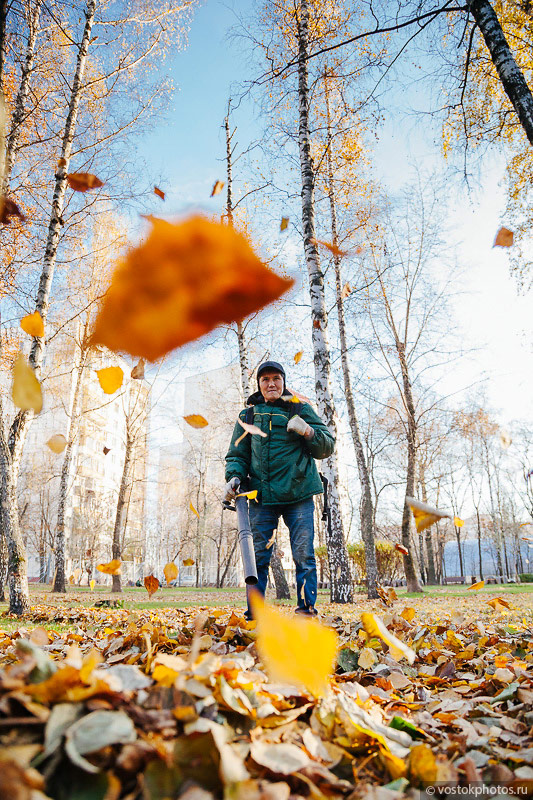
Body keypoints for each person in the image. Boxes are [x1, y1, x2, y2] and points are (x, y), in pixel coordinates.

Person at [224, 360, 334, 618]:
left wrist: (308, 432)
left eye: (276, 378)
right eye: (265, 379)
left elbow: (326, 446)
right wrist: (234, 477)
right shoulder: (247, 416)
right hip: (261, 498)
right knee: (257, 559)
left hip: (299, 495)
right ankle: (255, 616)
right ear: (259, 385)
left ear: (283, 382)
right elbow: (237, 455)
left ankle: (306, 613)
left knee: (304, 556)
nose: (271, 383)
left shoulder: (300, 408)